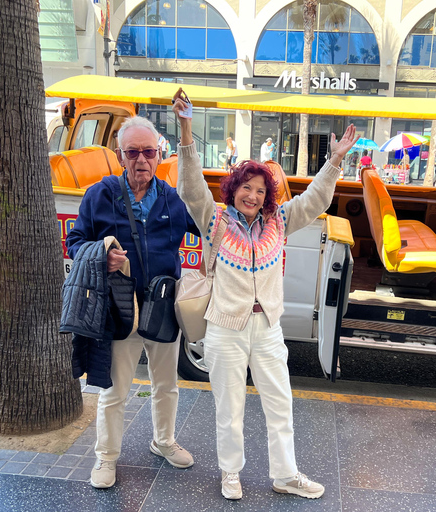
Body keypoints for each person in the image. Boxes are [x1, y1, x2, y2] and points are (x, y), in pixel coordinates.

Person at [172, 87, 358, 501]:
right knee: (230, 409)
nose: (253, 195)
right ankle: (230, 473)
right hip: (225, 327)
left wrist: (335, 161)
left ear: (267, 195)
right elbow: (190, 187)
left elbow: (315, 200)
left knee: (281, 404)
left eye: (260, 189)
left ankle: (286, 474)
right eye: (246, 187)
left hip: (268, 327)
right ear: (233, 187)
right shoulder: (214, 220)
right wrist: (186, 129)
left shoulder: (279, 221)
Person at [66, 116, 199, 489]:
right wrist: (98, 254)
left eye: (149, 152)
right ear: (121, 156)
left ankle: (164, 441)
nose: (142, 160)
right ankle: (105, 458)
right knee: (115, 391)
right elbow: (75, 242)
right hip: (120, 309)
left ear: (159, 155)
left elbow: (208, 223)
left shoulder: (172, 197)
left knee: (166, 384)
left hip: (163, 308)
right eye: (133, 152)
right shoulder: (101, 194)